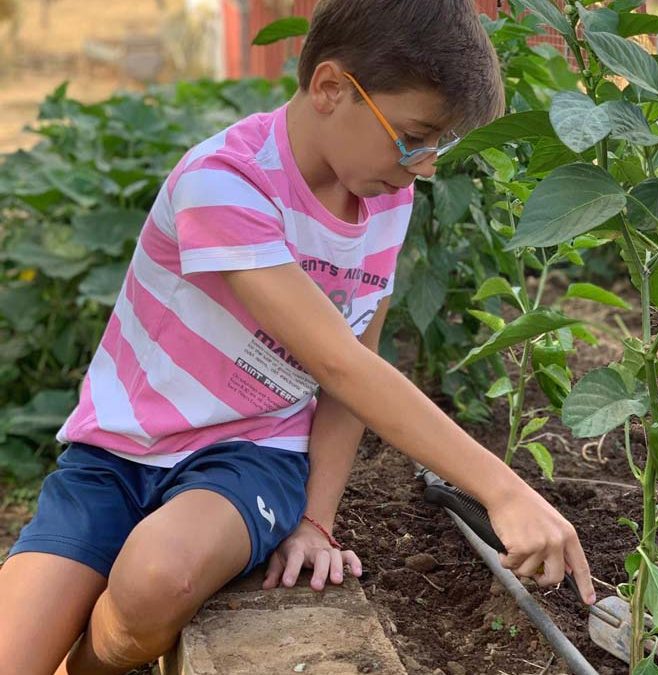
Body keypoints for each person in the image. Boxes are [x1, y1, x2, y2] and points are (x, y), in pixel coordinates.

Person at [0, 1, 595, 673]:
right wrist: (505, 489)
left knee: (155, 579)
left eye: (438, 146)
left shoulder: (386, 201)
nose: (424, 166)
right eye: (413, 137)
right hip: (118, 452)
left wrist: (316, 518)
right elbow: (336, 363)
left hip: (251, 455)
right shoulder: (223, 183)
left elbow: (355, 363)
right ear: (331, 89)